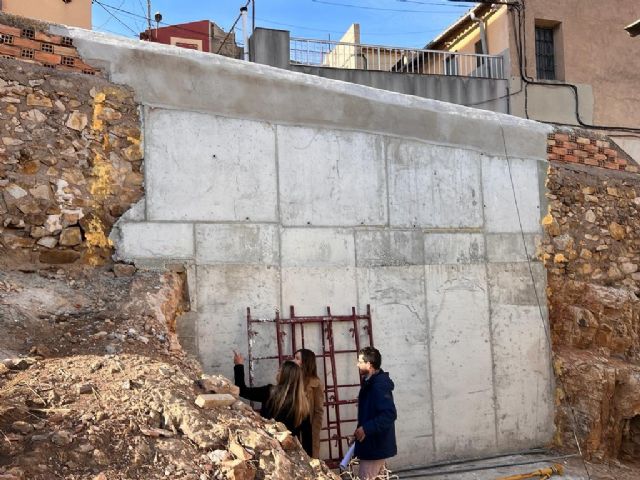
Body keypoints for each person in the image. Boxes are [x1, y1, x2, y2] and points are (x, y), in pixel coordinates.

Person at [233, 351, 313, 455]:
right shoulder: (303, 404)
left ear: (283, 375)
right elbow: (307, 439)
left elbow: (241, 390)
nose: (277, 373)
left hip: (267, 450)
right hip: (290, 453)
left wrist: (238, 365)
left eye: (280, 371)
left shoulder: (269, 392)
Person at [353, 346, 397, 480]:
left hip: (375, 447)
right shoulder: (370, 383)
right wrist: (360, 432)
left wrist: (366, 429)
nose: (357, 364)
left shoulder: (377, 385)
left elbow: (389, 414)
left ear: (369, 364)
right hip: (373, 445)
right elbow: (369, 414)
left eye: (360, 362)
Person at [294, 348, 324, 458]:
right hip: (293, 426)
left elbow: (318, 411)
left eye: (297, 358)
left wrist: (315, 433)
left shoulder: (315, 384)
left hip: (308, 429)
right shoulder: (292, 379)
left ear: (305, 362)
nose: (294, 361)